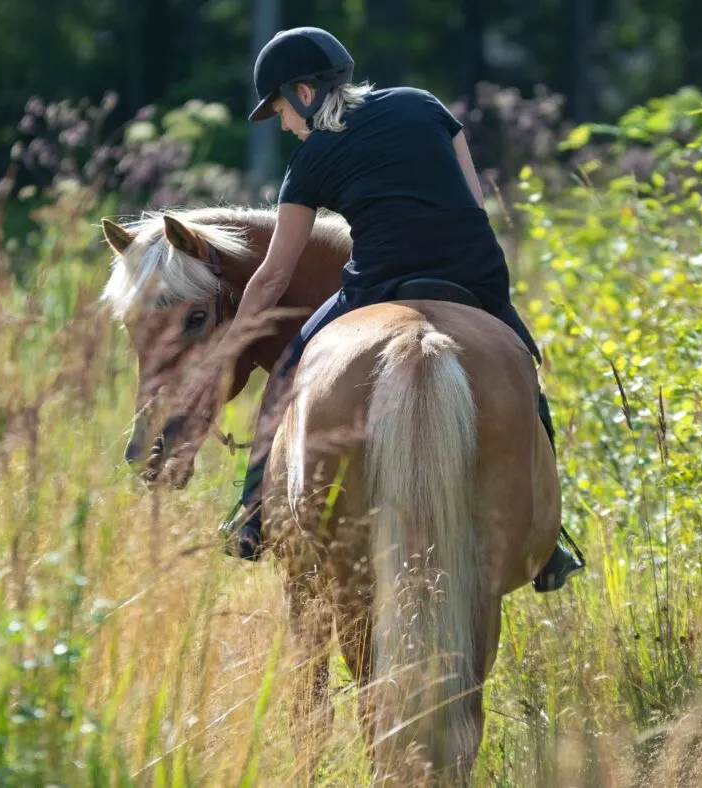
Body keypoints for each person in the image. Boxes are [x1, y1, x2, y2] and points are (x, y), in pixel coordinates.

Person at [207, 26, 584, 592]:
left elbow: (276, 274)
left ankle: (252, 512)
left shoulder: (309, 161)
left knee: (288, 371)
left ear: (305, 93)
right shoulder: (424, 104)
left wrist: (232, 342)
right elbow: (474, 204)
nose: (284, 123)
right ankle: (551, 539)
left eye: (281, 109)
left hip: (380, 282)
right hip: (476, 274)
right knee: (524, 372)